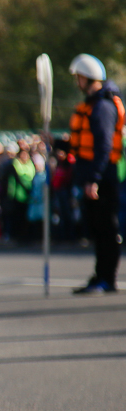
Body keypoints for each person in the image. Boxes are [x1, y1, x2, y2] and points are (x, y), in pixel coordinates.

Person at [68, 54, 124, 294]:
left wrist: (94, 179)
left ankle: (107, 279)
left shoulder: (102, 106)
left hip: (103, 179)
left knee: (105, 230)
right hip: (94, 177)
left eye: (78, 78)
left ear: (86, 78)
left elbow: (103, 146)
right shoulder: (92, 105)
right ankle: (99, 275)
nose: (77, 82)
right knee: (97, 229)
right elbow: (83, 144)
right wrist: (59, 144)